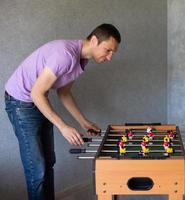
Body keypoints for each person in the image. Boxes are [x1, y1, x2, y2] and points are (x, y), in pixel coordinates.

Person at [4, 23, 121, 200]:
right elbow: (37, 93)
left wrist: (83, 121)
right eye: (108, 50)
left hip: (37, 100)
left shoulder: (82, 60)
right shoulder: (65, 55)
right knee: (37, 168)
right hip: (21, 102)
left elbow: (63, 92)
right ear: (95, 40)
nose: (110, 57)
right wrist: (63, 126)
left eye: (113, 52)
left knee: (48, 162)